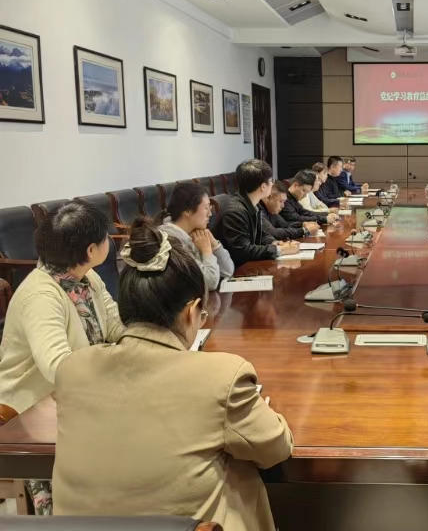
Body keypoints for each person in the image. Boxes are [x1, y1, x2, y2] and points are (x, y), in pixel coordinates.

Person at [53, 220, 293, 531]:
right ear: (192, 312)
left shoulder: (72, 369)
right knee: (237, 469)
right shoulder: (222, 377)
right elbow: (276, 448)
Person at [0, 200, 125, 515]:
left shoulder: (86, 278)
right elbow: (59, 369)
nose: (108, 241)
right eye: (104, 237)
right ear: (91, 250)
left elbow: (114, 326)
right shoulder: (41, 296)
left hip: (81, 392)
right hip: (32, 408)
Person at [217, 159, 299, 267]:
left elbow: (262, 235)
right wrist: (280, 250)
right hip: (242, 268)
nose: (273, 183)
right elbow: (244, 251)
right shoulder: (235, 211)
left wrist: (275, 243)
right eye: (271, 180)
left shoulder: (254, 203)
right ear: (263, 186)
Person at [158, 182, 234, 291]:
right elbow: (210, 283)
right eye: (206, 208)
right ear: (187, 211)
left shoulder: (195, 234)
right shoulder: (171, 240)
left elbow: (227, 271)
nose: (210, 214)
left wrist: (214, 244)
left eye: (210, 208)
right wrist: (207, 252)